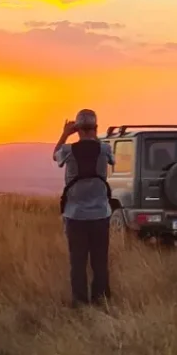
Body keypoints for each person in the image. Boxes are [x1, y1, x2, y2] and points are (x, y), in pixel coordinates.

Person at [52, 110, 115, 307]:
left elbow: (55, 156)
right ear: (96, 128)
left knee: (77, 263)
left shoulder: (69, 151)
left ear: (77, 129)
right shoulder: (104, 149)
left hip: (75, 216)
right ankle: (101, 301)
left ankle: (79, 303)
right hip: (100, 215)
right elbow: (111, 160)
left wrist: (64, 134)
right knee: (100, 262)